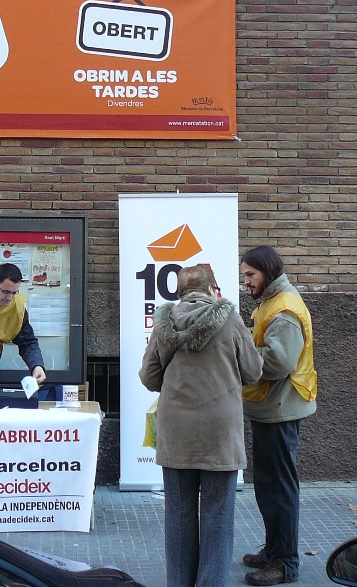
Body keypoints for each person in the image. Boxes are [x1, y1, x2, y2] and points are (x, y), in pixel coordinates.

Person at [139, 264, 263, 587]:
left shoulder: (164, 322)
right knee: (217, 516)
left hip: (177, 431)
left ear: (179, 293)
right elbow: (253, 371)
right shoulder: (230, 318)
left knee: (178, 515)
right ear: (211, 290)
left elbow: (148, 377)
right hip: (220, 432)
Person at [239, 247, 318, 586]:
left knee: (280, 488)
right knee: (269, 485)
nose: (246, 281)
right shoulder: (272, 301)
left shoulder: (284, 309)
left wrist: (241, 352)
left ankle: (285, 563)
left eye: (250, 275)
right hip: (272, 407)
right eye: (244, 275)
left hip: (280, 409)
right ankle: (274, 550)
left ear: (267, 272)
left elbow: (278, 363)